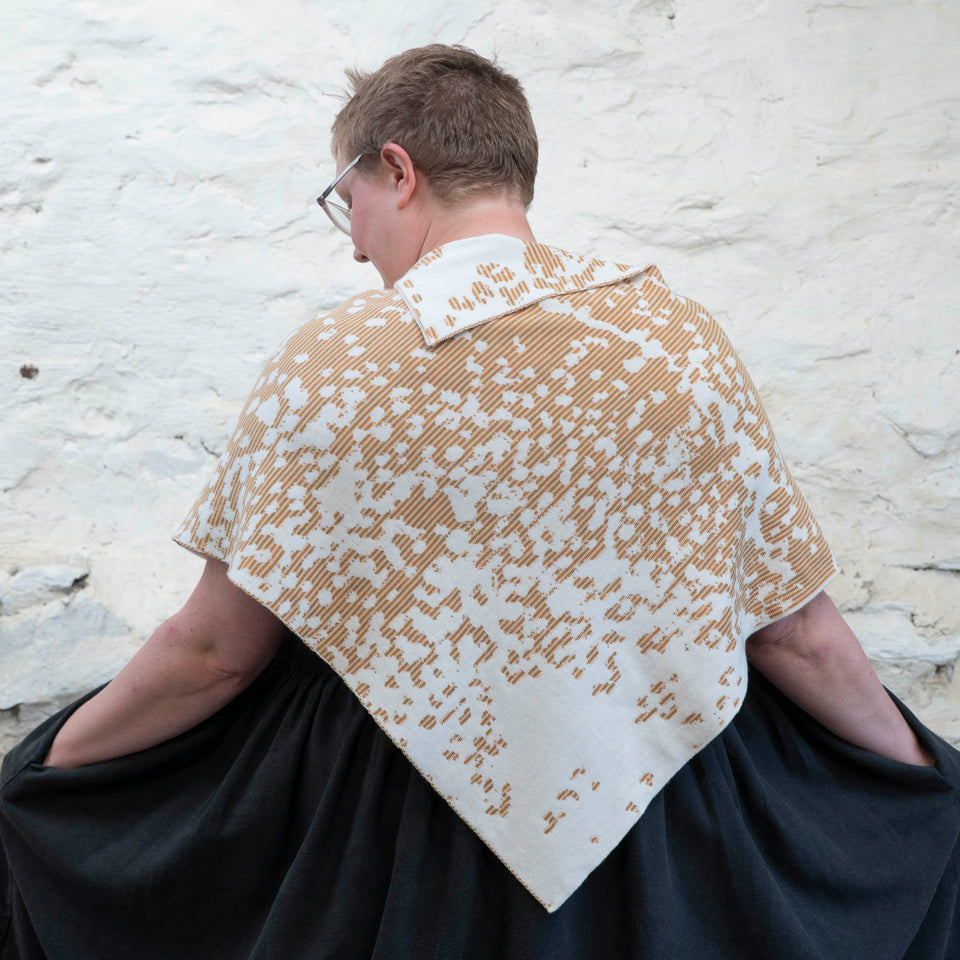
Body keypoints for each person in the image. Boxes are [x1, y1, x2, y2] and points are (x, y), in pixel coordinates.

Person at [1, 44, 958, 960]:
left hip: (385, 840)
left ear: (398, 169)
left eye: (349, 204)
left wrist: (46, 768)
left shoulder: (334, 361)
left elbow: (212, 656)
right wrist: (926, 779)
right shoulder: (681, 344)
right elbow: (795, 635)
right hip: (657, 828)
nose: (354, 247)